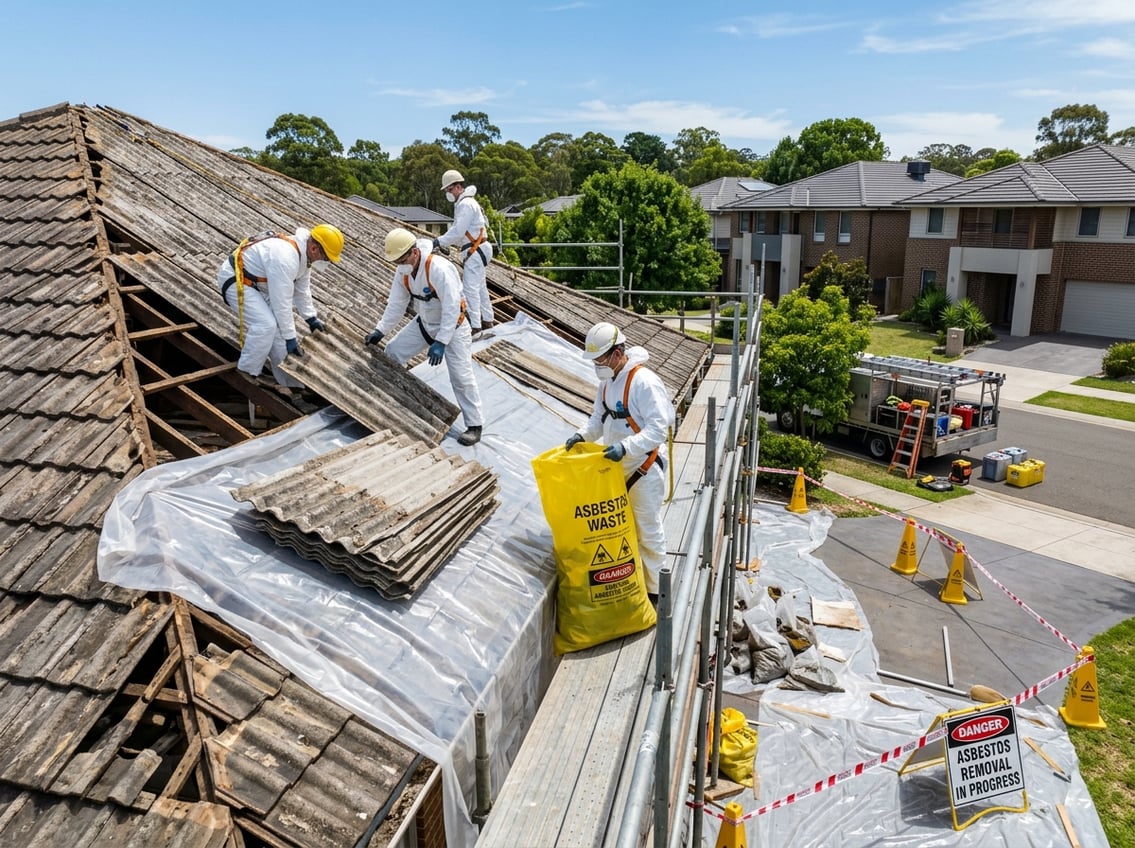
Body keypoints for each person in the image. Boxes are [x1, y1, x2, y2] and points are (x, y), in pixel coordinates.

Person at [564, 322, 675, 597]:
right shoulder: (606, 384)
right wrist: (581, 435)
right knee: (626, 531)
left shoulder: (643, 382)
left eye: (600, 358)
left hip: (643, 468)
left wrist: (626, 447)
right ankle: (635, 587)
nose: (597, 365)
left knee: (648, 531)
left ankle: (657, 594)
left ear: (617, 353)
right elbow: (597, 420)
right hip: (618, 468)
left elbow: (659, 428)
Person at [365, 227, 485, 446]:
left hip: (454, 327)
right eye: (396, 261)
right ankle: (399, 399)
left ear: (414, 252)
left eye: (402, 259)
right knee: (393, 351)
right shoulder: (403, 271)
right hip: (425, 323)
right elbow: (396, 304)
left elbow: (452, 308)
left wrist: (441, 341)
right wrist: (380, 330)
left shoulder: (439, 269)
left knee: (461, 376)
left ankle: (475, 425)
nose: (399, 264)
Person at [216, 224, 343, 393]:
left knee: (280, 336)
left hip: (258, 285)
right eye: (326, 259)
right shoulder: (286, 258)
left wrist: (311, 318)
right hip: (236, 279)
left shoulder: (304, 257)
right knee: (266, 325)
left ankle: (293, 385)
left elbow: (302, 290)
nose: (326, 263)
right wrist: (291, 338)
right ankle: (247, 371)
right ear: (314, 248)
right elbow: (281, 303)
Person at [434, 169, 495, 333]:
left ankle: (476, 325)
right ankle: (488, 320)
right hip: (479, 248)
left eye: (449, 190)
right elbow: (460, 232)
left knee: (470, 288)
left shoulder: (465, 204)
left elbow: (458, 231)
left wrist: (438, 241)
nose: (448, 193)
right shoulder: (468, 203)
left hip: (476, 249)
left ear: (457, 187)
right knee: (480, 286)